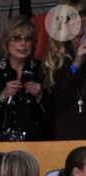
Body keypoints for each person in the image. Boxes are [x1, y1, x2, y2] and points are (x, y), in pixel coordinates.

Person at [0, 15, 53, 142]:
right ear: (6, 41)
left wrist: (40, 96)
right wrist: (2, 96)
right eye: (16, 38)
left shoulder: (42, 70)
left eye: (28, 38)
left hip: (35, 143)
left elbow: (53, 115)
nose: (23, 43)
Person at [43, 0, 86, 139]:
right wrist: (76, 63)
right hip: (68, 136)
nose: (79, 20)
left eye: (82, 14)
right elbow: (61, 100)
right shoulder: (57, 57)